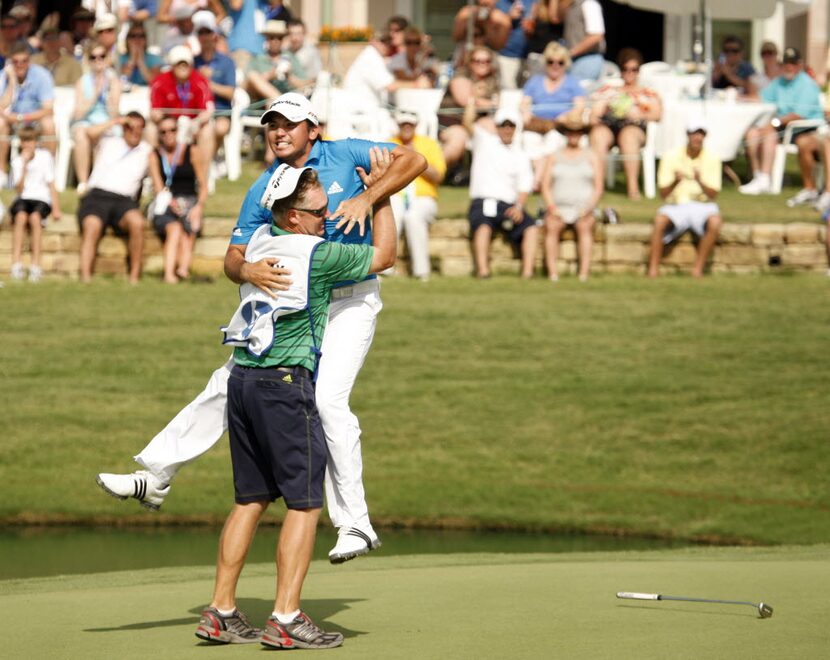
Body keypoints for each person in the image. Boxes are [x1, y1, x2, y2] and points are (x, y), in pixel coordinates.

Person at [96, 92, 427, 564]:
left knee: (329, 401)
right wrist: (247, 272)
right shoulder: (265, 187)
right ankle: (156, 472)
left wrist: (368, 197)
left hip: (350, 300)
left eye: (290, 124)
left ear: (313, 129)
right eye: (272, 124)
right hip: (296, 303)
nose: (278, 132)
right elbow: (234, 256)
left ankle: (355, 523)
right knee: (230, 379)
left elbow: (413, 159)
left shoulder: (346, 152)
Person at [194, 164, 397, 649]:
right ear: (290, 217)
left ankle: (221, 611)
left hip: (242, 379)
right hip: (285, 386)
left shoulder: (260, 239)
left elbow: (233, 260)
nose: (326, 216)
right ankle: (285, 617)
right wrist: (378, 196)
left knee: (249, 500)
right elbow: (386, 256)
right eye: (317, 211)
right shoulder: (318, 254)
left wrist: (242, 267)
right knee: (305, 505)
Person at [739, 47, 823, 203]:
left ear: (799, 65)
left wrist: (774, 122)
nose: (788, 67)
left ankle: (766, 178)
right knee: (752, 133)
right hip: (785, 126)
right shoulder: (779, 82)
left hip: (805, 128)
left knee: (769, 131)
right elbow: (762, 97)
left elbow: (799, 114)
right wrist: (740, 97)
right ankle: (759, 176)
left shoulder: (807, 84)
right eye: (786, 63)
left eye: (792, 63)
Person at [78, 112, 153, 284]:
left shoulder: (146, 150)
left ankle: (134, 278)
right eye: (130, 127)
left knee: (138, 223)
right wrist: (117, 121)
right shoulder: (109, 141)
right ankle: (85, 278)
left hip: (124, 200)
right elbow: (87, 134)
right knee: (92, 225)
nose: (134, 131)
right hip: (98, 195)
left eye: (139, 127)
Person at [464, 104, 538, 278]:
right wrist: (472, 101)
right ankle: (483, 271)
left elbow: (525, 185)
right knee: (483, 226)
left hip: (508, 205)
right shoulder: (485, 142)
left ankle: (528, 273)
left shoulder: (521, 154)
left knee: (531, 228)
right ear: (496, 127)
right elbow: (467, 122)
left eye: (510, 125)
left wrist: (519, 206)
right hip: (483, 201)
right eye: (503, 125)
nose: (507, 129)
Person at [647, 119, 722, 279]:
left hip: (702, 205)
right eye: (695, 133)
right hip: (676, 205)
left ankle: (698, 270)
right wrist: (676, 181)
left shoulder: (712, 158)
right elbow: (664, 194)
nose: (698, 138)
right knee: (659, 221)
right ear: (688, 135)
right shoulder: (671, 156)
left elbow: (713, 195)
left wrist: (700, 180)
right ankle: (652, 270)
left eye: (701, 134)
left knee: (715, 222)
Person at [589, 47, 661, 200]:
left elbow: (657, 114)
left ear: (639, 71)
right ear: (620, 70)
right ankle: (598, 188)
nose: (630, 73)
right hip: (610, 126)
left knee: (628, 136)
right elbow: (594, 115)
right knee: (598, 134)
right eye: (625, 69)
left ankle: (632, 189)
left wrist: (637, 113)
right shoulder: (610, 90)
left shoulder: (647, 93)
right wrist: (608, 104)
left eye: (634, 69)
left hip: (635, 128)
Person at [540, 115, 602, 281]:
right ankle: (553, 273)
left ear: (582, 134)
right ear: (565, 134)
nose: (574, 135)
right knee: (552, 226)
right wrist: (552, 208)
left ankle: (584, 273)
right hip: (559, 206)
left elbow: (598, 188)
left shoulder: (591, 156)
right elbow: (545, 186)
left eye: (578, 132)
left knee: (585, 226)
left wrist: (588, 208)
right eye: (570, 132)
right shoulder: (554, 156)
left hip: (584, 207)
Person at [148, 114, 208, 283]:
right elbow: (158, 186)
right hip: (165, 201)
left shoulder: (192, 151)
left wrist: (199, 206)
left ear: (177, 131)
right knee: (175, 229)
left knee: (189, 228)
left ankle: (182, 270)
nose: (168, 134)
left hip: (189, 200)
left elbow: (203, 185)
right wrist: (169, 201)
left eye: (172, 130)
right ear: (159, 134)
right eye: (163, 131)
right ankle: (170, 274)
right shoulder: (154, 155)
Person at [389, 109, 446, 281]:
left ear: (416, 125)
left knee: (413, 217)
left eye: (410, 124)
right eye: (403, 124)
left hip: (423, 196)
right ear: (398, 125)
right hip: (396, 194)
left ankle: (421, 271)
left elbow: (438, 176)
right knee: (393, 213)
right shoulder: (389, 144)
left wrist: (416, 159)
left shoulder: (429, 144)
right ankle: (384, 267)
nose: (407, 127)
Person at [521, 40, 584, 182]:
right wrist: (526, 113)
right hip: (536, 125)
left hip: (560, 126)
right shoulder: (535, 81)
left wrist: (566, 116)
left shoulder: (572, 82)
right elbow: (524, 103)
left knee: (552, 141)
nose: (555, 65)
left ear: (565, 63)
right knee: (529, 140)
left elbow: (579, 106)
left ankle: (538, 180)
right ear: (545, 63)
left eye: (560, 62)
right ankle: (543, 179)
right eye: (551, 61)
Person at [8, 126, 61, 283]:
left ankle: (35, 265)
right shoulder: (17, 161)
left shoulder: (45, 157)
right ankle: (16, 264)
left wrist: (56, 208)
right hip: (24, 197)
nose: (27, 145)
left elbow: (51, 184)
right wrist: (24, 167)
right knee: (21, 217)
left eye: (30, 141)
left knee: (35, 219)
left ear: (35, 142)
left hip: (41, 198)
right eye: (24, 141)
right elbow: (18, 189)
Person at [150, 45, 214, 173]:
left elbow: (207, 110)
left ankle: (203, 176)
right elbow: (155, 112)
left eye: (186, 64)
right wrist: (166, 123)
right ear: (172, 65)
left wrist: (197, 123)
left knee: (207, 131)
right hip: (168, 125)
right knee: (150, 130)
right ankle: (155, 173)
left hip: (192, 124)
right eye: (179, 64)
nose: (183, 68)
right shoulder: (160, 81)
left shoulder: (200, 81)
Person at [438, 45, 500, 170]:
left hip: (476, 122)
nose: (482, 64)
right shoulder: (460, 75)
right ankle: (432, 172)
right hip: (452, 122)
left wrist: (480, 100)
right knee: (458, 138)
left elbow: (498, 103)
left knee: (494, 129)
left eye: (486, 61)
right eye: (478, 61)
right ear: (470, 62)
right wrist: (483, 101)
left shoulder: (493, 80)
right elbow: (465, 100)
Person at [72, 41, 122, 195]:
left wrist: (107, 94)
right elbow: (78, 114)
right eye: (93, 57)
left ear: (107, 59)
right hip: (86, 123)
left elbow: (115, 114)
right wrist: (95, 94)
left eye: (102, 56)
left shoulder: (114, 81)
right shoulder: (82, 81)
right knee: (81, 134)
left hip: (107, 124)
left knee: (107, 135)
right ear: (89, 60)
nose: (98, 60)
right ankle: (83, 182)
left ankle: (100, 182)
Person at [0, 42, 56, 175]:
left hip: (35, 119)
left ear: (29, 61)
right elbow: (2, 106)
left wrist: (22, 118)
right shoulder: (4, 76)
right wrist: (12, 82)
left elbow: (48, 109)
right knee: (0, 123)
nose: (20, 65)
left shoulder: (41, 75)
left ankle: (49, 172)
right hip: (10, 119)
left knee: (49, 124)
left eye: (24, 61)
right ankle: (1, 172)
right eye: (16, 61)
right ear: (10, 62)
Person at [193, 10, 236, 169]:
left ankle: (206, 165)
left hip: (220, 110)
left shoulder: (227, 62)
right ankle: (205, 165)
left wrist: (208, 83)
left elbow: (231, 93)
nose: (204, 37)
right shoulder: (192, 61)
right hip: (198, 110)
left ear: (214, 35)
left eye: (207, 32)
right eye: (201, 33)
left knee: (219, 127)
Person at [343, 31, 430, 109]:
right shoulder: (371, 57)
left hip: (368, 109)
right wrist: (416, 84)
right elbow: (390, 85)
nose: (387, 44)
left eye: (389, 41)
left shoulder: (376, 56)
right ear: (373, 41)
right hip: (360, 111)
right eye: (382, 41)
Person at [244, 20, 305, 102]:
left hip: (286, 100)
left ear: (283, 39)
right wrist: (269, 75)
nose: (275, 41)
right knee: (252, 75)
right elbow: (245, 85)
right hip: (261, 102)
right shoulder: (257, 58)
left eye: (279, 38)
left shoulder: (290, 57)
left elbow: (304, 85)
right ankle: (279, 102)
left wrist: (289, 76)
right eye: (272, 37)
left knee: (270, 102)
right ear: (267, 39)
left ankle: (278, 103)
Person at [451, 0, 511, 68]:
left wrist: (487, 24)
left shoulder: (501, 20)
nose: (485, 1)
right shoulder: (465, 13)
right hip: (464, 59)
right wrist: (470, 20)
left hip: (487, 63)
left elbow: (499, 45)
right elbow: (456, 37)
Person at [561, 0, 606, 83]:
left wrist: (570, 53)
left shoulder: (589, 4)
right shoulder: (573, 5)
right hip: (575, 60)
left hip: (588, 60)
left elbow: (596, 36)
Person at [495, 0, 535, 90]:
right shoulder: (499, 3)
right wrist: (508, 17)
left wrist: (532, 26)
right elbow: (492, 30)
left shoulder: (534, 2)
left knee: (528, 92)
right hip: (506, 57)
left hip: (529, 58)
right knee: (509, 92)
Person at [118, 21, 163, 87]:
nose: (137, 39)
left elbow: (153, 81)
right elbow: (123, 79)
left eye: (141, 36)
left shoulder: (154, 59)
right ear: (127, 39)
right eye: (133, 36)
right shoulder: (120, 58)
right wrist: (132, 59)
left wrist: (140, 61)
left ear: (146, 39)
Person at [284, 18, 321, 85]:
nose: (294, 38)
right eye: (291, 33)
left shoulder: (311, 52)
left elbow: (316, 79)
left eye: (298, 34)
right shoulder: (285, 51)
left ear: (304, 34)